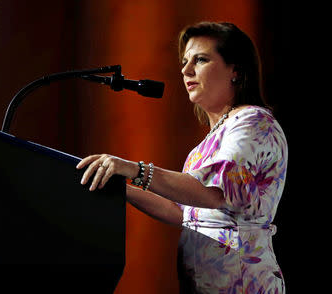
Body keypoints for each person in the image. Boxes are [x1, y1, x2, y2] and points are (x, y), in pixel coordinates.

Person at [76, 22, 287, 293]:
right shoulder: (207, 145)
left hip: (243, 282)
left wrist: (133, 169)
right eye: (185, 61)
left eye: (200, 59)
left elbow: (212, 193)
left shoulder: (252, 122)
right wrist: (118, 185)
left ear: (235, 69)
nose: (185, 70)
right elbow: (182, 211)